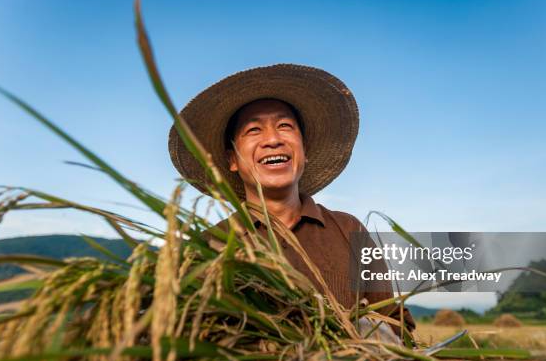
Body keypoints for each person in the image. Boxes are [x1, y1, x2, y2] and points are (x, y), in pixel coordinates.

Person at [168, 64, 415, 334]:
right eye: (253, 130)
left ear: (304, 150)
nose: (272, 140)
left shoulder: (349, 230)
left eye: (284, 126)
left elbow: (394, 322)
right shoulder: (209, 245)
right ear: (232, 160)